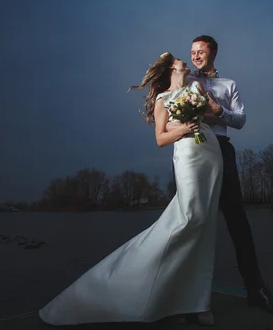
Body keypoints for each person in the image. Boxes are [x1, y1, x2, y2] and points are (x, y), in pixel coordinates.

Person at [38, 52, 223, 326]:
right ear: (172, 68)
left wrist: (212, 108)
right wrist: (183, 128)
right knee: (187, 219)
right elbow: (160, 138)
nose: (186, 60)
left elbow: (214, 115)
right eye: (180, 60)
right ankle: (127, 282)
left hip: (210, 152)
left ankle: (196, 302)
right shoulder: (162, 100)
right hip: (188, 155)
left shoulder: (196, 88)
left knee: (205, 224)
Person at [170, 35, 273, 316]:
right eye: (192, 52)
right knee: (190, 222)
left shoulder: (229, 85)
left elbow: (240, 121)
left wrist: (217, 110)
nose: (196, 56)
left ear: (213, 53)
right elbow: (172, 111)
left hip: (222, 150)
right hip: (192, 150)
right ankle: (185, 297)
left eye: (201, 51)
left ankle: (257, 290)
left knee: (237, 220)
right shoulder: (185, 81)